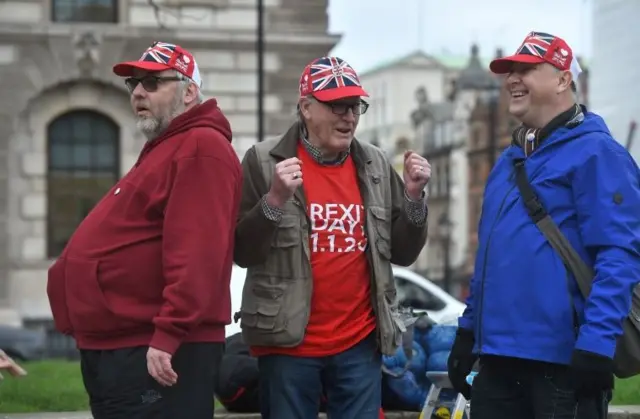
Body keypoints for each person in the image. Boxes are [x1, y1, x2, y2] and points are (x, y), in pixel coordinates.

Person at [447, 31, 640, 419]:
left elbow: (619, 256)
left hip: (562, 364)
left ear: (564, 80)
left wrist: (597, 343)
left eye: (528, 69)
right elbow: (489, 256)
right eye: (511, 71)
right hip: (497, 362)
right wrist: (468, 332)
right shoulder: (507, 162)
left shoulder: (599, 154)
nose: (513, 78)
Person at [46, 41, 242, 419]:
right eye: (134, 83)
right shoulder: (168, 146)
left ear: (189, 92)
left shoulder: (200, 146)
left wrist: (169, 333)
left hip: (158, 348)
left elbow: (197, 254)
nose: (137, 92)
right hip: (127, 345)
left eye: (152, 83)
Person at [234, 56, 431, 419]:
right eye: (337, 106)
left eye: (355, 106)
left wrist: (415, 198)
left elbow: (402, 253)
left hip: (359, 342)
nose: (349, 117)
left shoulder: (373, 163)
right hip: (288, 342)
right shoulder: (263, 161)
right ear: (306, 108)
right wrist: (275, 200)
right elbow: (242, 251)